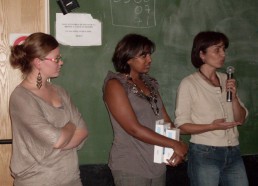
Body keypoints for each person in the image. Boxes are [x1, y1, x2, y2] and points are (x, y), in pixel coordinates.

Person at [103, 33, 188, 186]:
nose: (150, 59)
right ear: (127, 58)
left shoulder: (150, 83)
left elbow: (165, 120)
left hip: (157, 162)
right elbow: (133, 129)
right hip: (131, 165)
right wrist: (174, 144)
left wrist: (177, 144)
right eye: (143, 55)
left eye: (149, 54)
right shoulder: (115, 85)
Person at [9, 32, 88, 186]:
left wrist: (61, 137)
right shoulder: (21, 97)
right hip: (36, 181)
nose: (61, 62)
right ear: (38, 62)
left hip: (71, 179)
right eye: (56, 58)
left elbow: (83, 131)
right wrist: (71, 125)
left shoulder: (61, 92)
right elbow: (58, 140)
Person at [174, 31, 249, 186]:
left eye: (224, 50)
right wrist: (211, 126)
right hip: (205, 154)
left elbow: (240, 119)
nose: (223, 54)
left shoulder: (227, 79)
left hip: (233, 151)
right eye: (217, 50)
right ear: (202, 54)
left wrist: (234, 96)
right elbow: (181, 126)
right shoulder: (189, 84)